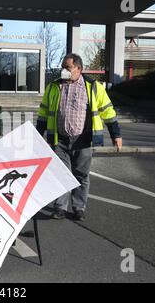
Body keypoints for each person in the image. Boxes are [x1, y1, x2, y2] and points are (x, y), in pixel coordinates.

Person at [36, 53, 123, 221]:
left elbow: (108, 111)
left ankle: (78, 207)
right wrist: (38, 134)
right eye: (63, 67)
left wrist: (116, 134)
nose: (64, 70)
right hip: (59, 139)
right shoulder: (54, 86)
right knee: (61, 174)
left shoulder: (93, 87)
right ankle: (60, 207)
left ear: (79, 69)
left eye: (67, 67)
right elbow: (44, 112)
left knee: (81, 175)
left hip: (83, 140)